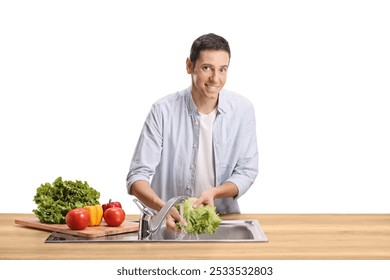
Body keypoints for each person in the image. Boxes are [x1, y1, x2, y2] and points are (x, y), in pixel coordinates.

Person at [126, 33, 258, 232]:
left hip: (220, 220)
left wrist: (215, 192)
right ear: (189, 66)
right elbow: (137, 176)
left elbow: (246, 171)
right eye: (207, 68)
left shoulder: (242, 110)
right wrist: (163, 208)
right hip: (169, 222)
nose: (216, 78)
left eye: (222, 69)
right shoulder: (163, 110)